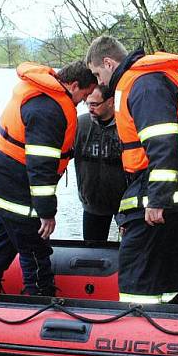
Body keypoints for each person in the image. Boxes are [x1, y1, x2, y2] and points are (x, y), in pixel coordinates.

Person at [85, 36, 178, 303]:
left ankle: (137, 332)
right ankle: (174, 322)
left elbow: (163, 143)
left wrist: (157, 199)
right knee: (168, 266)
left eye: (98, 73)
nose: (99, 83)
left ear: (108, 63)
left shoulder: (144, 85)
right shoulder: (147, 80)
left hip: (165, 190)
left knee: (137, 268)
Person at [0, 61, 97, 295]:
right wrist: (46, 213)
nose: (82, 102)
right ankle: (40, 299)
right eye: (84, 95)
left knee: (4, 240)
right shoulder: (49, 110)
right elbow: (41, 166)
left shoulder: (42, 97)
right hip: (14, 188)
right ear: (74, 85)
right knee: (35, 249)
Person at [73, 85, 126, 241]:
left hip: (125, 205)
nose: (90, 108)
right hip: (92, 204)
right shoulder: (80, 125)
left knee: (133, 252)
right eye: (87, 103)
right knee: (92, 251)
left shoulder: (127, 126)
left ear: (110, 102)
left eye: (95, 104)